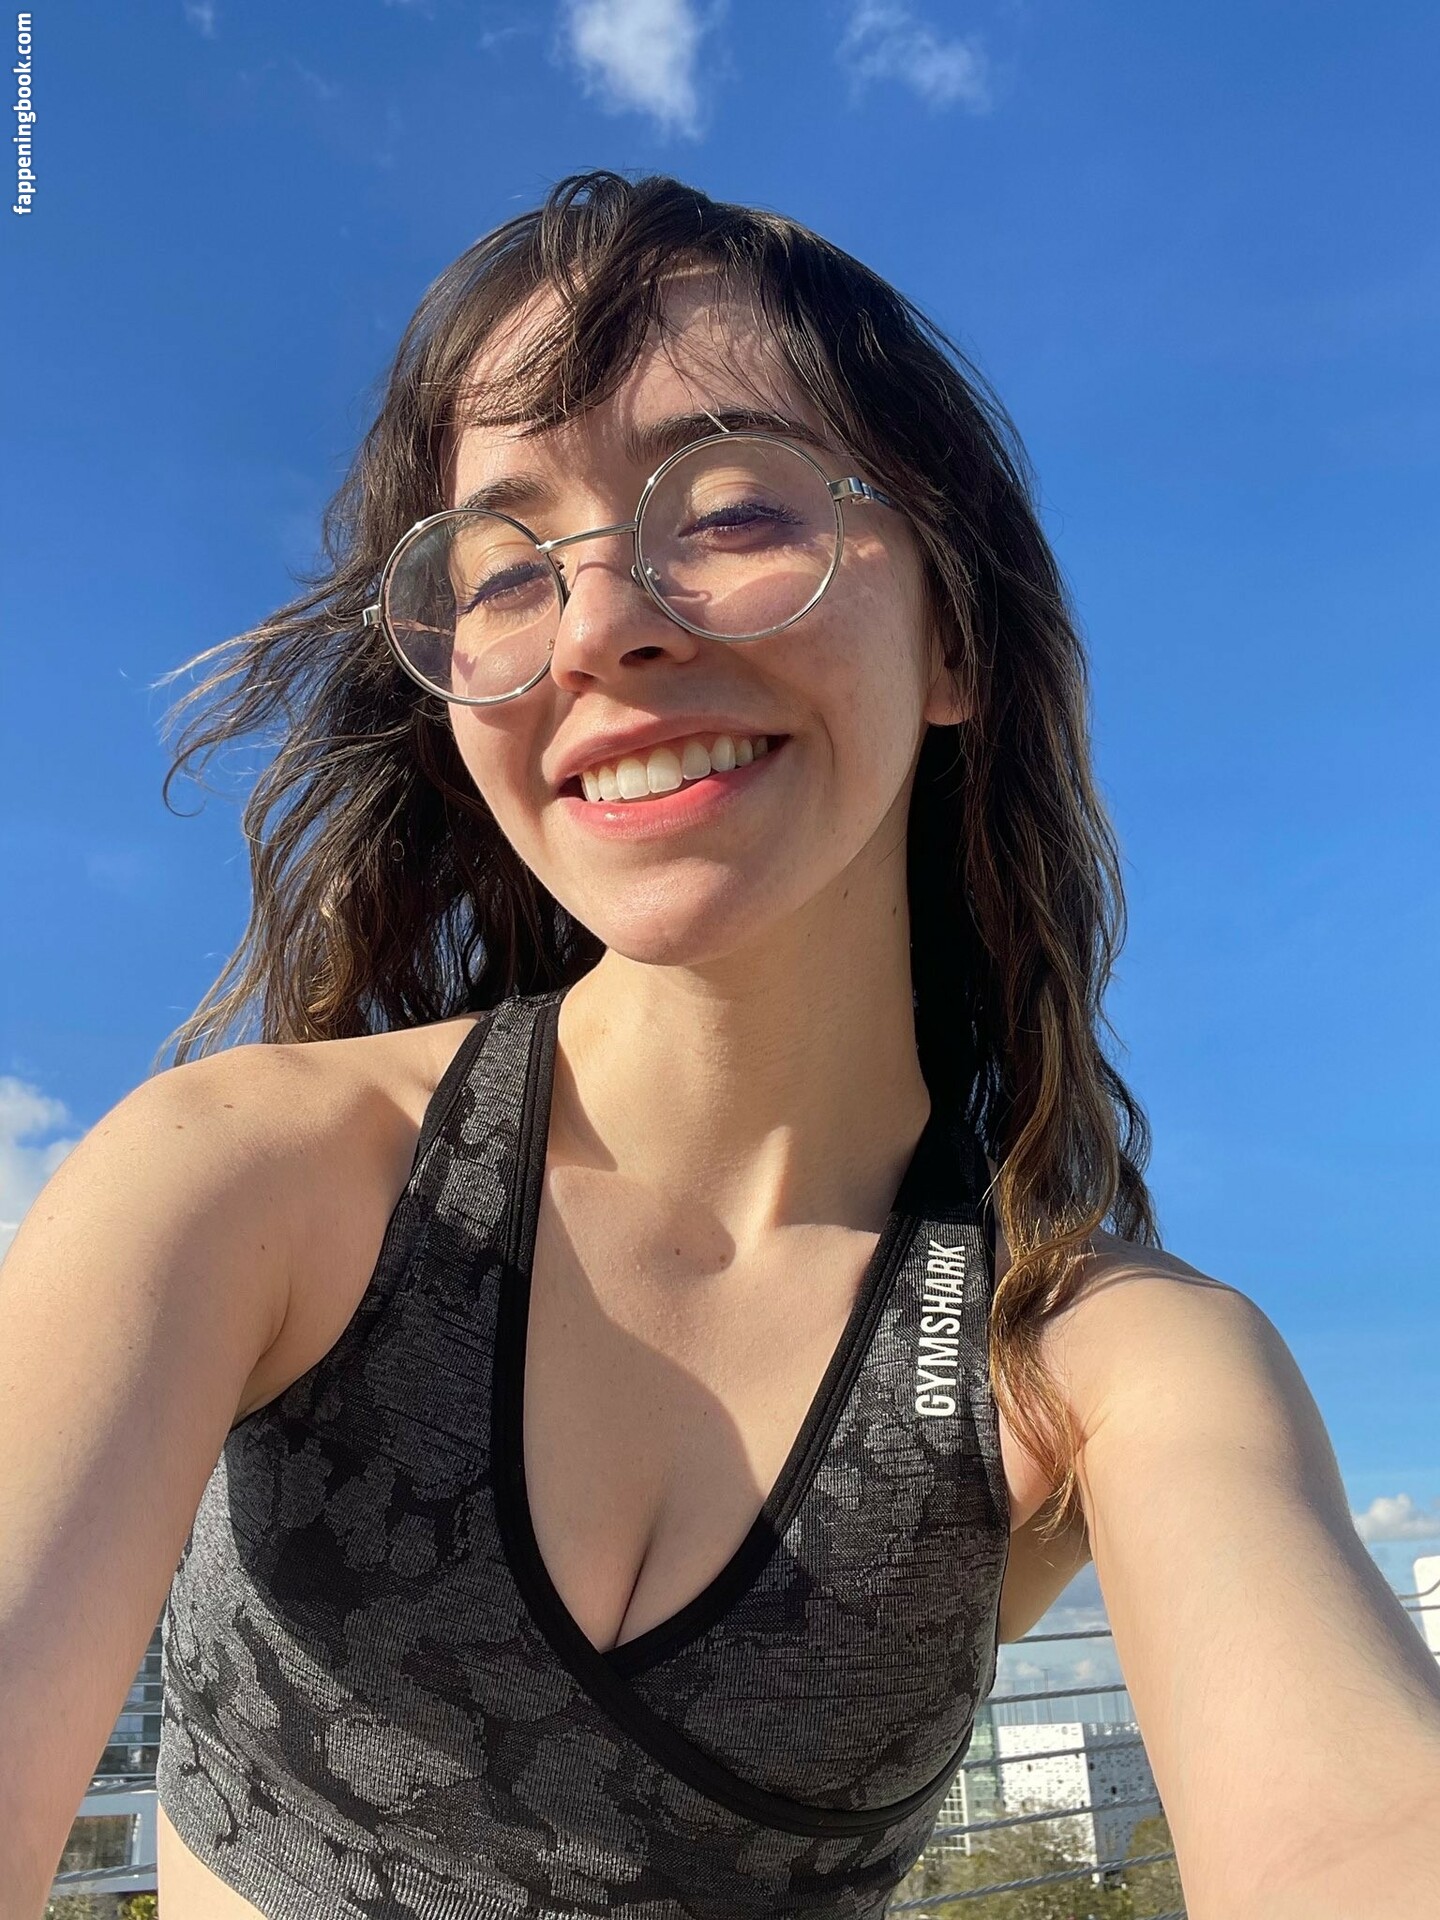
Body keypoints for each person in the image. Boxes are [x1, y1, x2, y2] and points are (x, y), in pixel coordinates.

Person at [3, 169, 1437, 1920]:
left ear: (955, 635)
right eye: (505, 570)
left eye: (738, 508)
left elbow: (1357, 1832)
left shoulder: (1089, 1363)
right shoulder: (252, 1179)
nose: (603, 621)